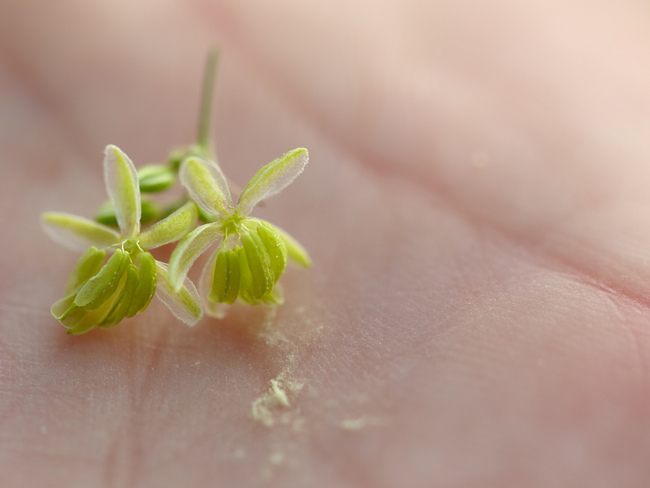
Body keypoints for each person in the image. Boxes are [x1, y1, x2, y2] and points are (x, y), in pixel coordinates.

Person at [1, 0, 649, 486]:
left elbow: (188, 259)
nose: (225, 228)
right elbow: (177, 270)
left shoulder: (199, 218)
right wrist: (152, 256)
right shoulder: (163, 224)